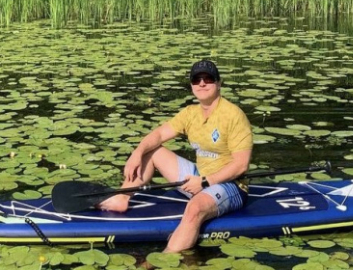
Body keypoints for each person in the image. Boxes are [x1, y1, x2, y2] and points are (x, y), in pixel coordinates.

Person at [99, 59, 252, 252]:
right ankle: (122, 198)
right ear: (191, 86)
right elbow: (160, 135)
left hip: (231, 185)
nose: (202, 84)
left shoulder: (234, 115)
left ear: (219, 83)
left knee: (194, 209)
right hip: (200, 174)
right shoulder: (190, 113)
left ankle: (164, 261)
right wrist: (137, 153)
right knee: (151, 151)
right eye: (197, 80)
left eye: (208, 79)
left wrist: (204, 182)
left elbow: (241, 165)